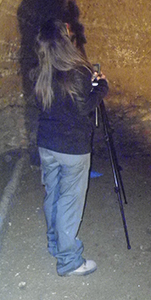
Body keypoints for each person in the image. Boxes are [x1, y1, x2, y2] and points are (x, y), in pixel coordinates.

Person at [32, 18, 108, 277]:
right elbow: (85, 106)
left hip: (47, 144)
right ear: (64, 41)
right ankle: (69, 261)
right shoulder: (79, 71)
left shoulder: (39, 72)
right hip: (72, 148)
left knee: (52, 195)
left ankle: (55, 245)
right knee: (69, 201)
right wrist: (101, 87)